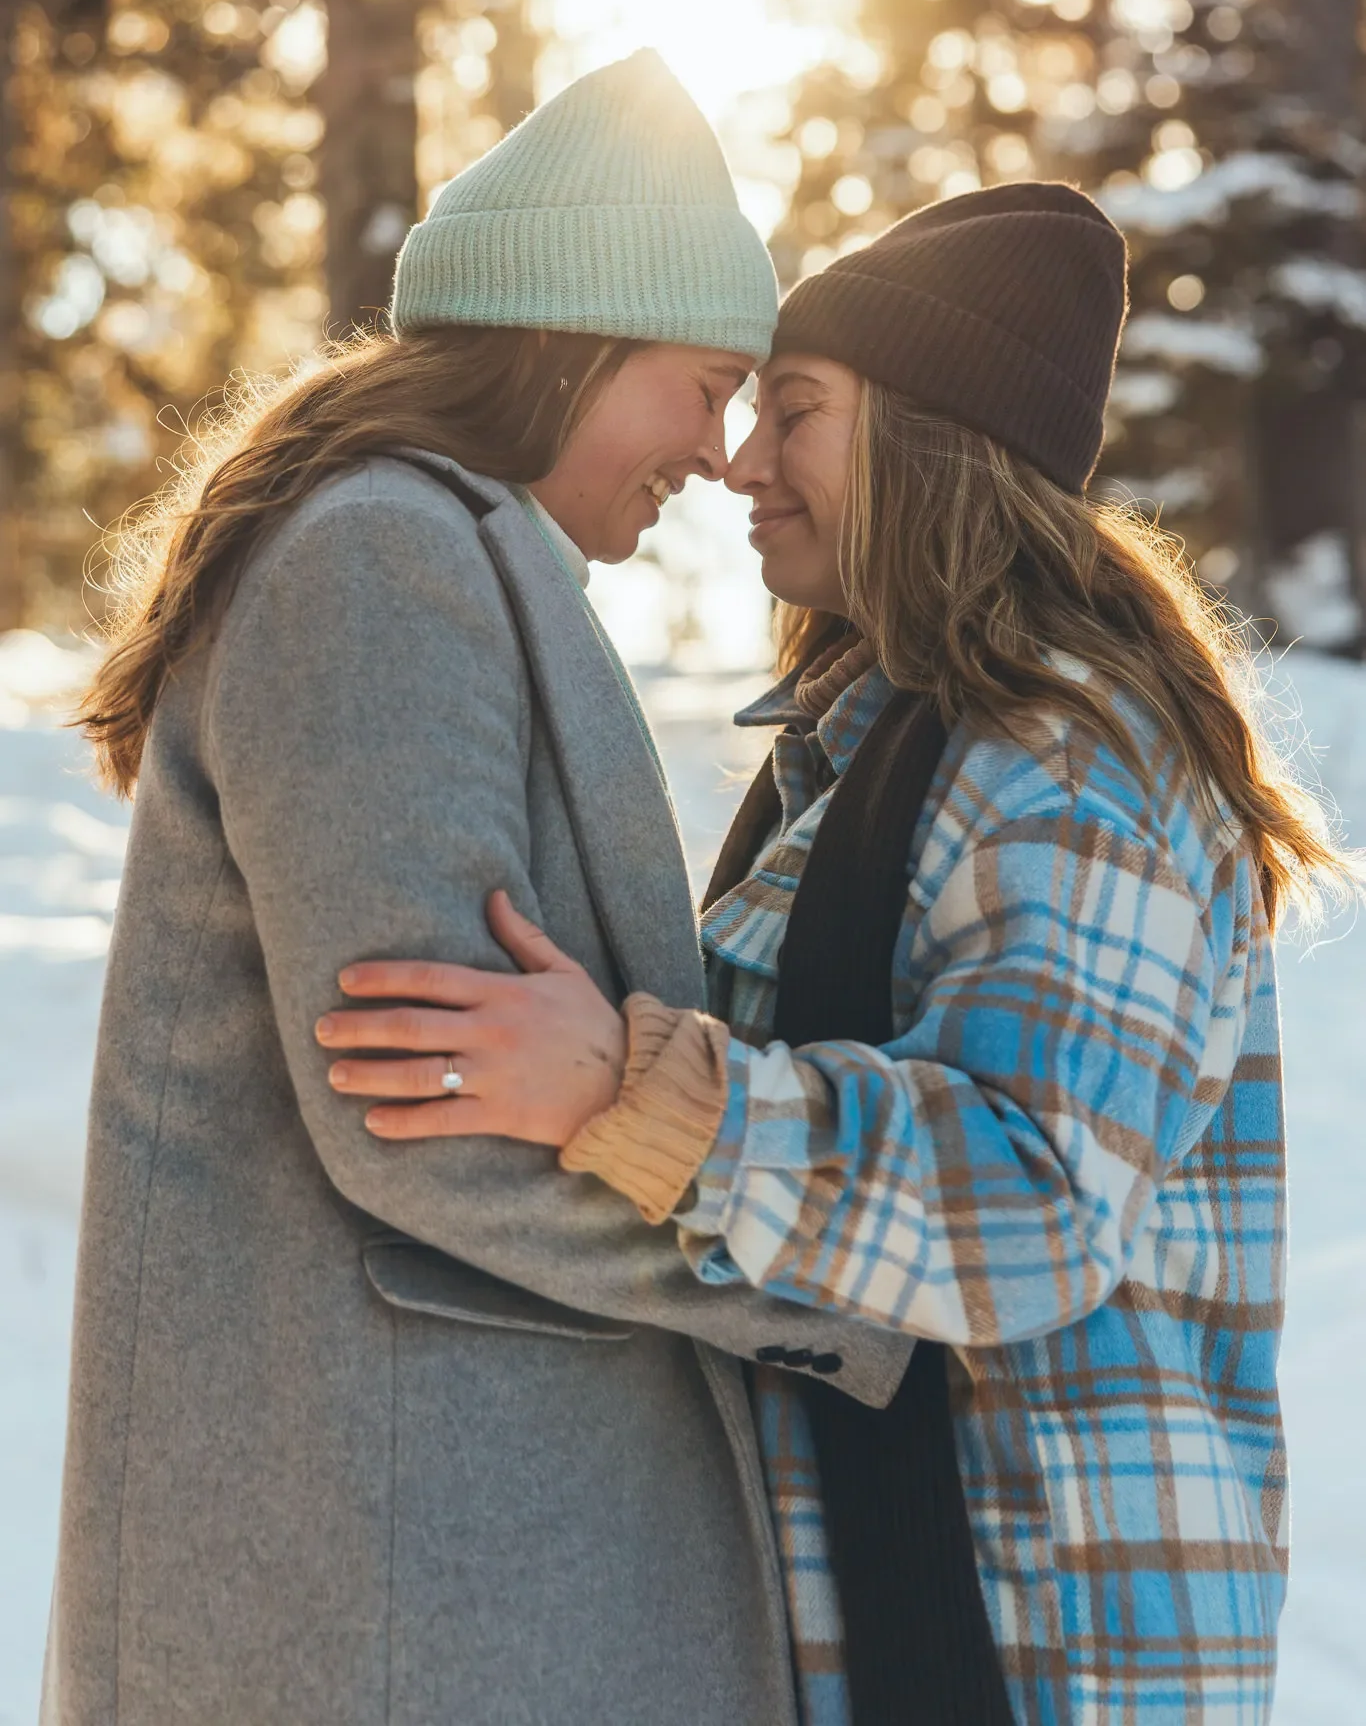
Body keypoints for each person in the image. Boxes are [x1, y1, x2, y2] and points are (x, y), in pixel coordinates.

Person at [321, 184, 1359, 1726]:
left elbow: (1033, 1200)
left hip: (1038, 1641)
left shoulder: (1065, 758)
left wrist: (636, 1096)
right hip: (900, 1617)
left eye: (793, 411)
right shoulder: (870, 751)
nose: (740, 462)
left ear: (934, 441)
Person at [50, 49, 912, 1726]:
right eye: (702, 388)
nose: (717, 453)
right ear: (574, 342)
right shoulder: (383, 557)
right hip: (400, 1578)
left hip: (436, 1568)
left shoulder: (443, 551)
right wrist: (835, 1282)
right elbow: (422, 1106)